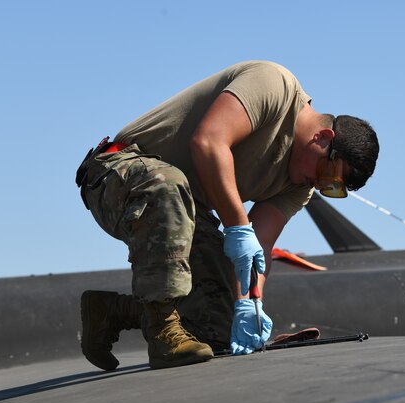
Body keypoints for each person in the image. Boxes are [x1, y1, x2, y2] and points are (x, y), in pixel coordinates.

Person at [75, 61, 379, 370]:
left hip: (185, 211)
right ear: (323, 137)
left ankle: (111, 311)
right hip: (117, 174)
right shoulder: (275, 84)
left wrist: (248, 302)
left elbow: (257, 249)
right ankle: (162, 335)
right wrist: (237, 227)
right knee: (166, 185)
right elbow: (208, 141)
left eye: (331, 188)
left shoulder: (298, 186)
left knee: (216, 329)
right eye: (327, 173)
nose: (318, 184)